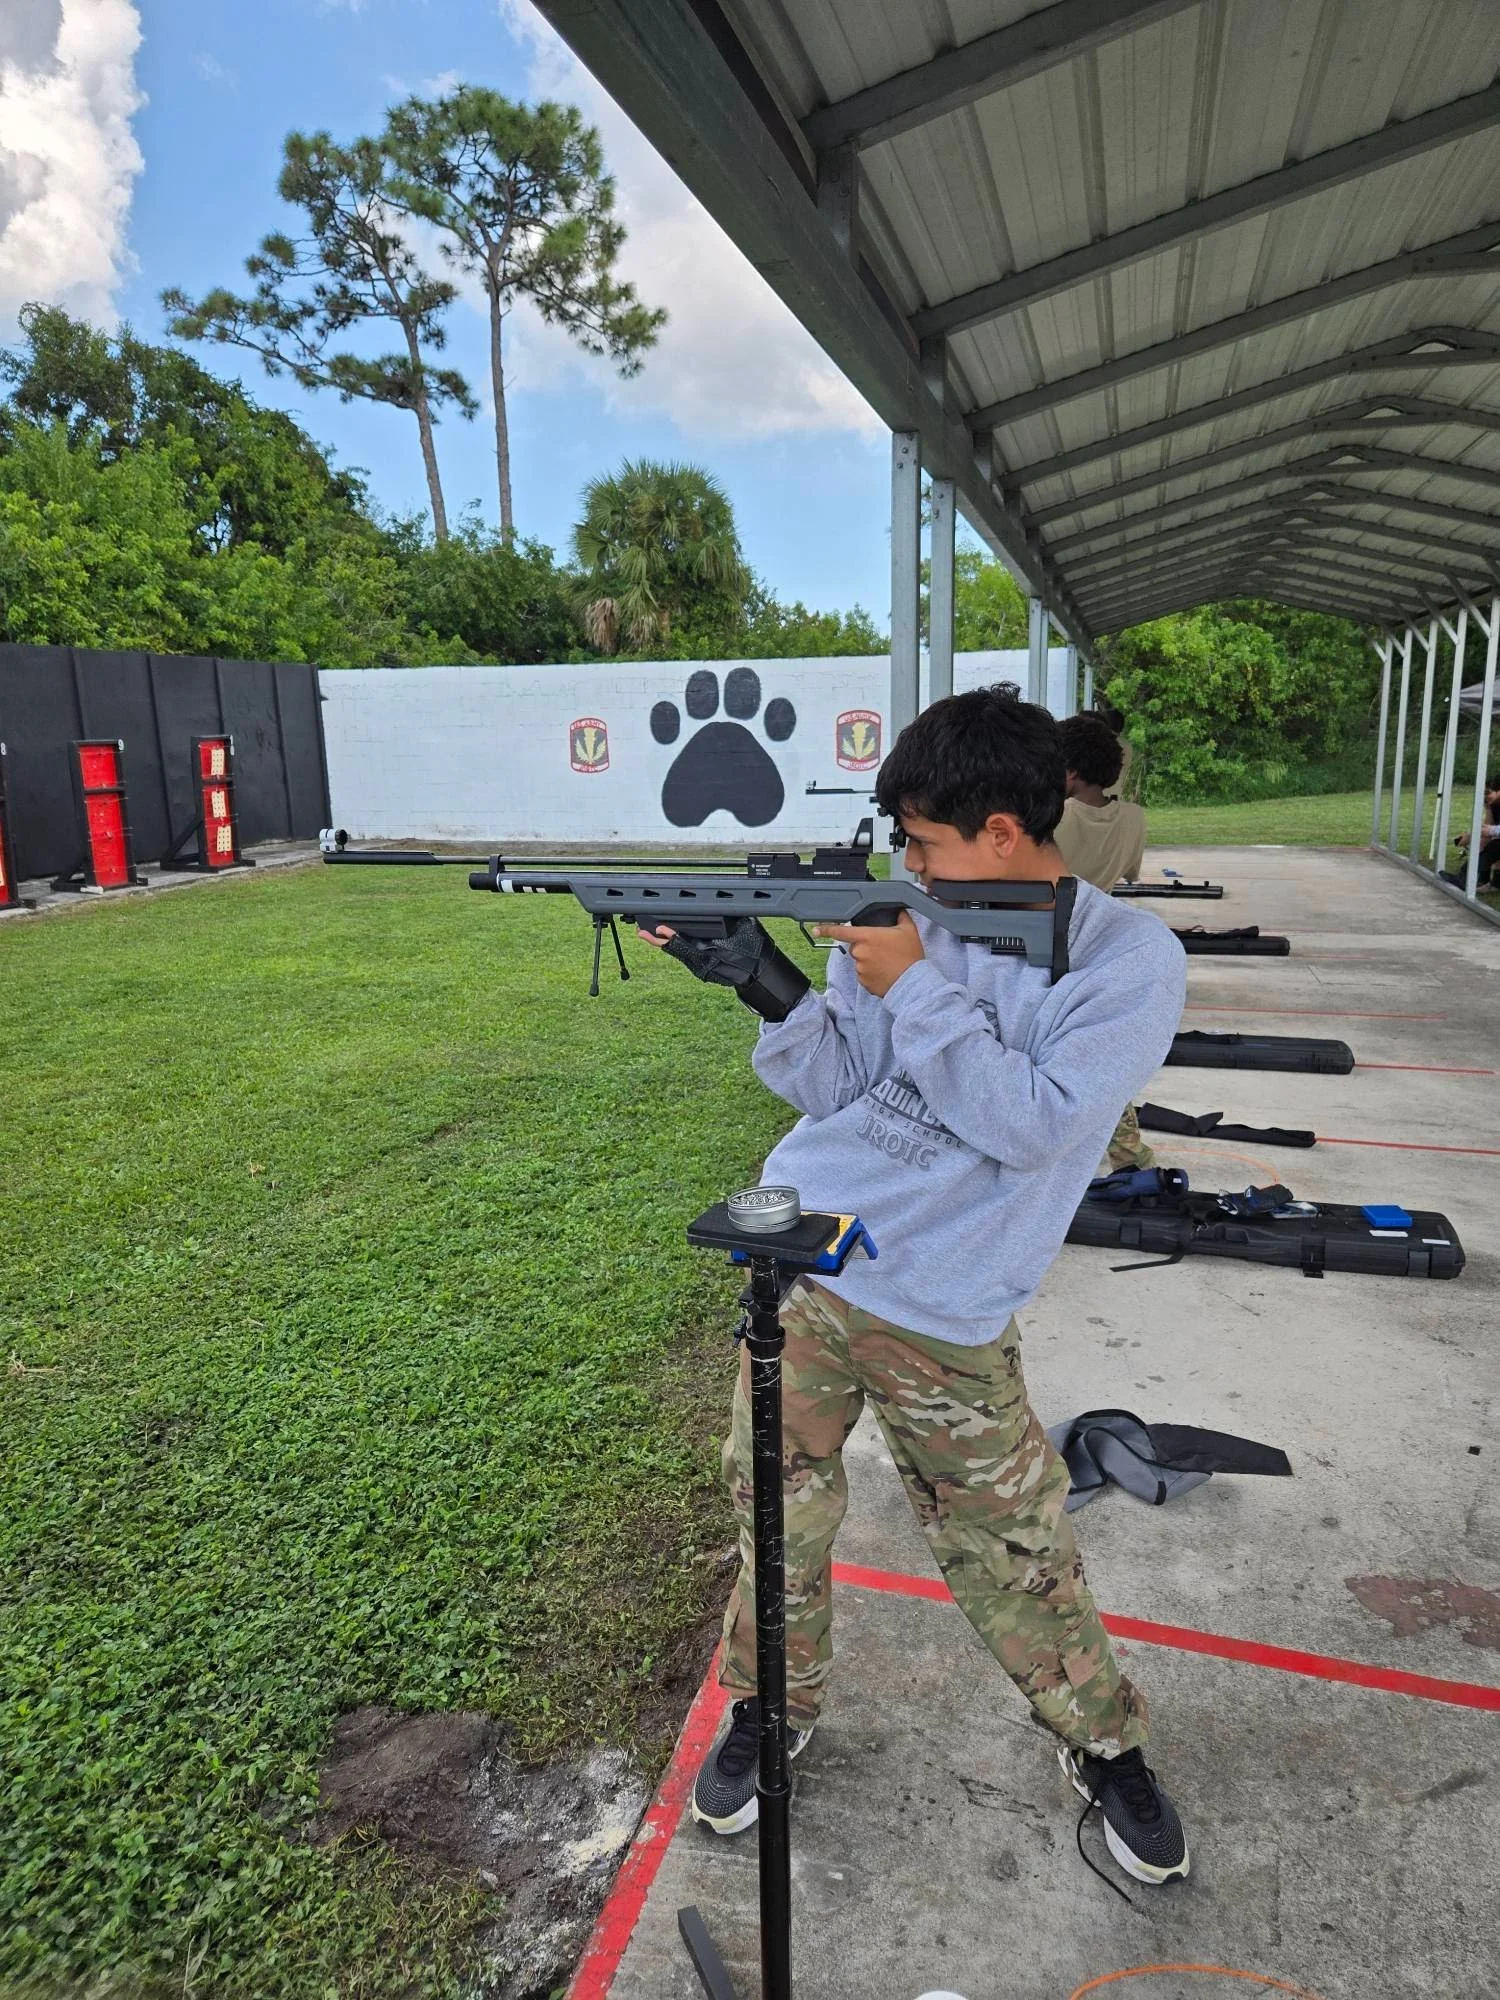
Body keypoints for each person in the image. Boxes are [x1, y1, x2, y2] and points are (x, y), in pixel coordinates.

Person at [639, 684, 1190, 1890]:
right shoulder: (910, 916)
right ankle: (769, 1702)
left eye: (926, 841)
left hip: (946, 1300)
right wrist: (760, 978)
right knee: (772, 1513)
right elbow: (845, 1089)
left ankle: (1104, 1740)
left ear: (1005, 830)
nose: (908, 866)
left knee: (1014, 1541)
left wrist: (914, 981)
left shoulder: (1127, 961)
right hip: (808, 1259)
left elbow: (1037, 1124)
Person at [1053, 712, 1155, 1172]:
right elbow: (1131, 873)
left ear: (1070, 772)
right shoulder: (1132, 818)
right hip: (1097, 945)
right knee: (1097, 1056)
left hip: (1048, 948)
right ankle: (1128, 1152)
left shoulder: (1057, 818)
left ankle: (1125, 1152)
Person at [1441, 773, 1500, 888]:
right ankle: (1476, 878)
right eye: (1483, 794)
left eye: (1488, 793)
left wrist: (1476, 834)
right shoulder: (1494, 804)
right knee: (1483, 841)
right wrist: (1487, 808)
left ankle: (1465, 877)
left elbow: (1491, 830)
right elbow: (1487, 827)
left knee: (1494, 846)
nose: (1485, 797)